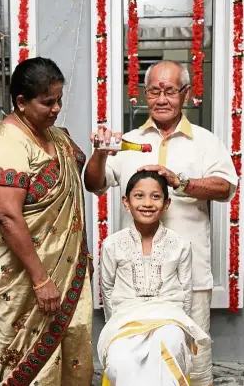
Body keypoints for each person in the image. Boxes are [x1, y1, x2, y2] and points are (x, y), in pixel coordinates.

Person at [85, 60, 238, 386]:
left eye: (170, 90)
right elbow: (95, 184)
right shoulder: (127, 141)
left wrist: (181, 182)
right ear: (144, 94)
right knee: (132, 366)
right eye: (154, 90)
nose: (161, 98)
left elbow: (226, 188)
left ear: (186, 93)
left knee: (193, 367)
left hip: (190, 278)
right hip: (133, 289)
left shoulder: (205, 141)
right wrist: (99, 152)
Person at [0, 57, 93, 386]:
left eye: (59, 99)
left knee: (72, 348)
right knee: (27, 359)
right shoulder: (7, 142)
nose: (56, 108)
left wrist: (102, 153)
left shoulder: (57, 137)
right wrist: (42, 280)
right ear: (22, 103)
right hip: (23, 274)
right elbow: (7, 215)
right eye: (47, 102)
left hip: (67, 267)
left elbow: (90, 183)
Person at [98, 170, 210, 386]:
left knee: (168, 343)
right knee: (120, 357)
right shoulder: (112, 244)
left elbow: (186, 292)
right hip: (125, 318)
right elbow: (107, 289)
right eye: (139, 196)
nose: (147, 203)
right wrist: (115, 323)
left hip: (169, 317)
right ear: (126, 202)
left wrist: (180, 325)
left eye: (155, 196)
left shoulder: (180, 244)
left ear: (167, 204)